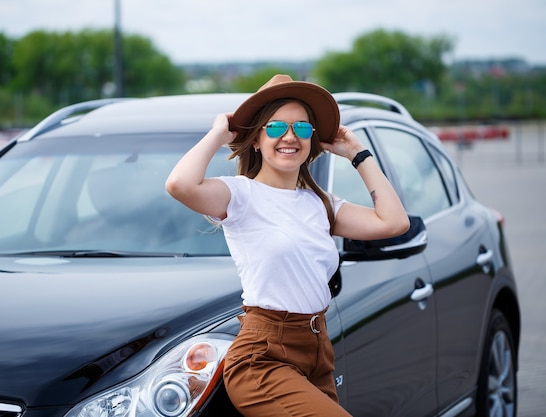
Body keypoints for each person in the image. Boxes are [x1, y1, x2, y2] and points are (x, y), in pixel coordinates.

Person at [166, 74, 409, 417]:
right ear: (256, 139)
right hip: (262, 356)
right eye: (276, 127)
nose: (290, 136)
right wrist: (218, 134)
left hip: (317, 349)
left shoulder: (321, 204)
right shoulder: (240, 195)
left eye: (303, 128)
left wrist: (357, 153)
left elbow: (394, 222)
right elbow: (179, 184)